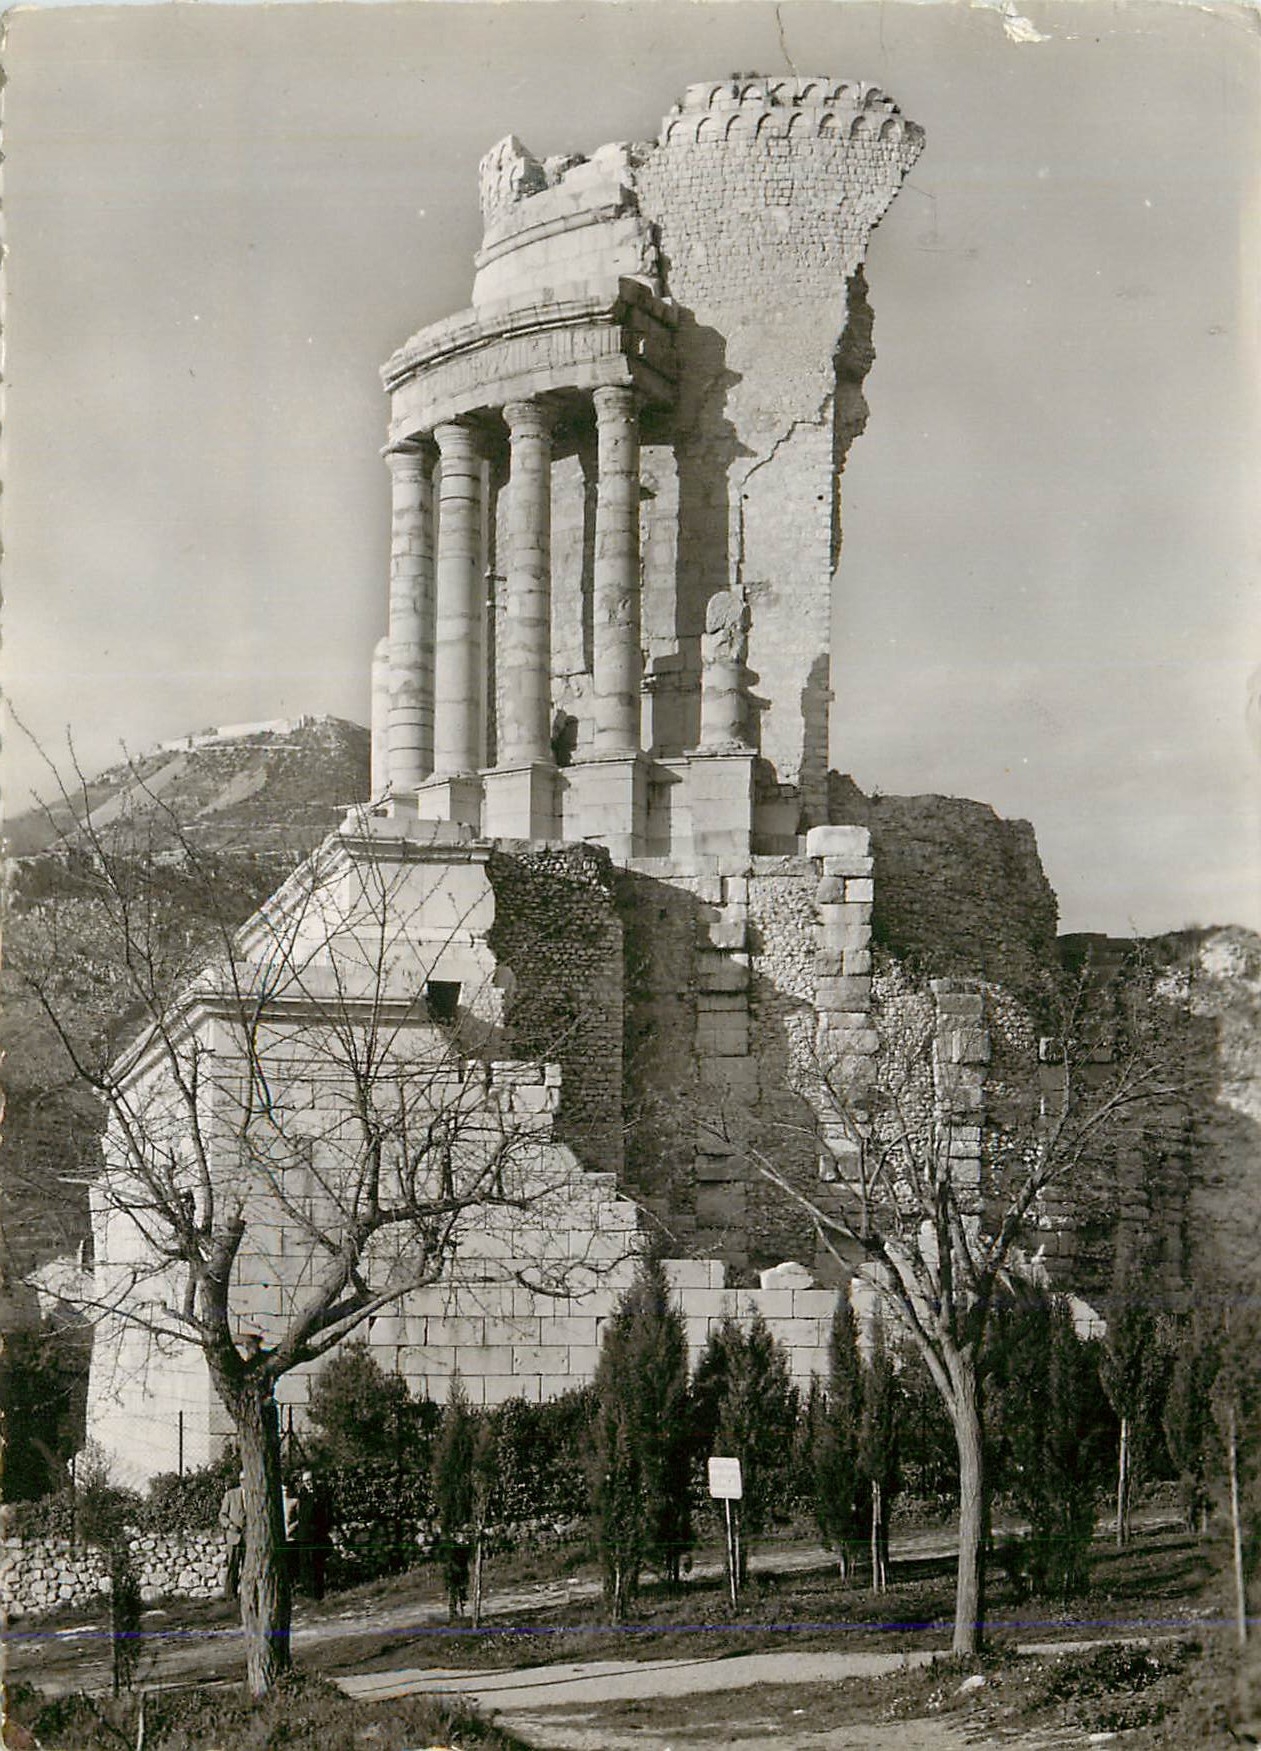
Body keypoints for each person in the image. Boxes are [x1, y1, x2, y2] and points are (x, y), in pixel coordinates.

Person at [218, 1475, 245, 1600]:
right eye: (243, 1480)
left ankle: (246, 1594)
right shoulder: (230, 1495)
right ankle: (230, 1595)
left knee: (248, 1567)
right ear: (240, 1481)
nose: (245, 1483)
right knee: (233, 1566)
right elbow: (222, 1515)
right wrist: (229, 1525)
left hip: (249, 1537)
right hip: (234, 1536)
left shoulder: (253, 1495)